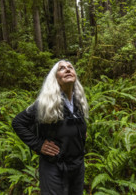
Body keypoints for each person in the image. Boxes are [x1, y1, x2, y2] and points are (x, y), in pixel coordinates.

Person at [12, 60, 89, 195]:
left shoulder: (79, 103)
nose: (67, 69)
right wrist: (38, 144)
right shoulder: (46, 104)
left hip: (77, 166)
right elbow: (18, 122)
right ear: (55, 78)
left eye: (70, 67)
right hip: (54, 167)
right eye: (61, 68)